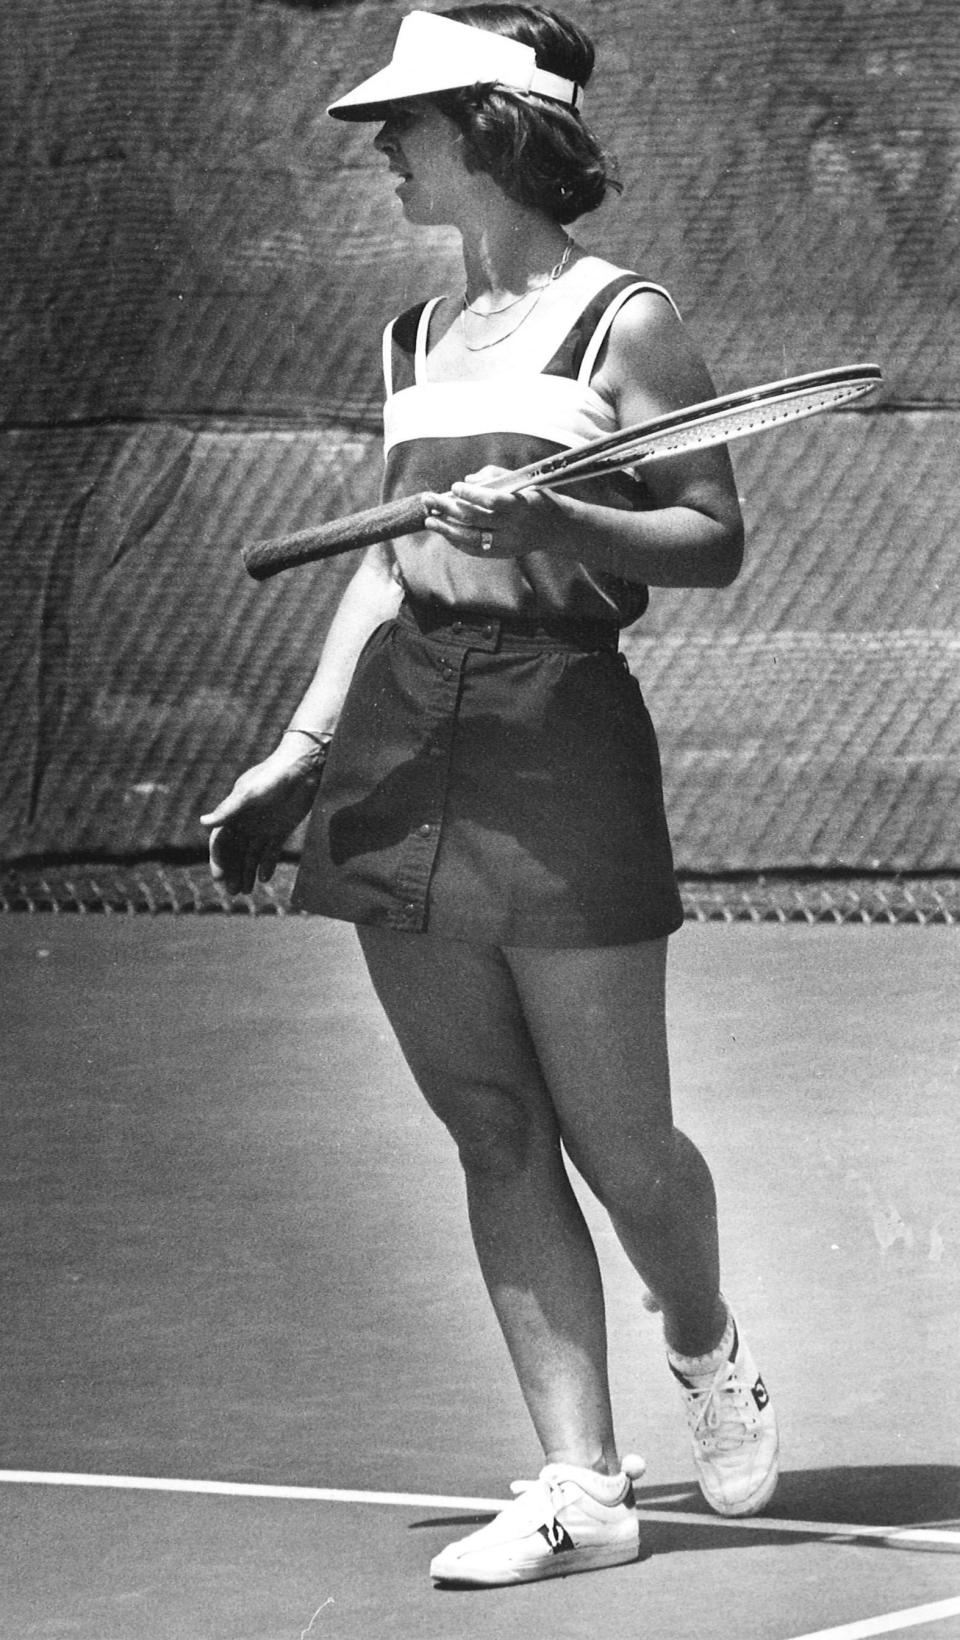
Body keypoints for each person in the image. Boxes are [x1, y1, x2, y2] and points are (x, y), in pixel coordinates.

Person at [201, 4, 779, 1588]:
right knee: (488, 1121)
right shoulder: (405, 340)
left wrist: (559, 523)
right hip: (403, 736)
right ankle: (582, 1486)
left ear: (497, 132)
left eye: (411, 121)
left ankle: (707, 1342)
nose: (384, 146)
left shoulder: (623, 323)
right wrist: (301, 750)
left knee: (622, 1139)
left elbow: (710, 538)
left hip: (558, 732)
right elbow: (389, 568)